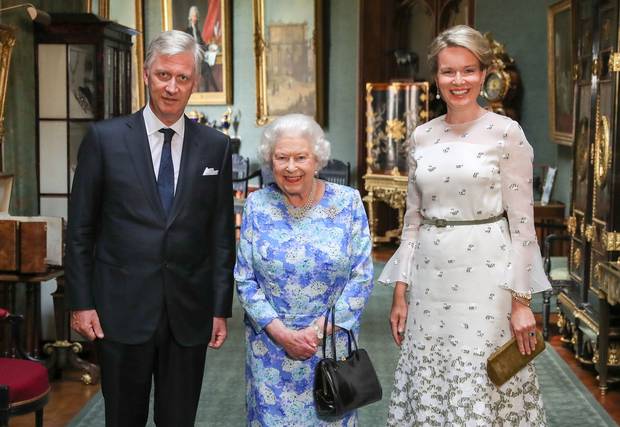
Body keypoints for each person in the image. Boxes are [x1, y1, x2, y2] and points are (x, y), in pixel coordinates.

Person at [379, 25, 550, 426]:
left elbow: (523, 226)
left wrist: (521, 303)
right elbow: (412, 222)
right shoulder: (421, 137)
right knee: (431, 378)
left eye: (468, 70)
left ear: (484, 73)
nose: (459, 81)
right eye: (448, 71)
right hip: (429, 277)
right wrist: (401, 293)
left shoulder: (507, 133)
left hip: (489, 277)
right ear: (435, 77)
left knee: (484, 377)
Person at [66, 30, 235, 427]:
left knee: (178, 420)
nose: (172, 87)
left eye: (182, 78)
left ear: (195, 81)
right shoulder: (104, 140)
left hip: (188, 313)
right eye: (163, 75)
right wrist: (81, 301)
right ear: (146, 74)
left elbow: (222, 235)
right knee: (124, 419)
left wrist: (219, 307)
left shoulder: (215, 146)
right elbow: (80, 230)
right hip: (120, 311)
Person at [234, 114, 374, 426]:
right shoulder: (257, 205)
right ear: (271, 160)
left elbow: (362, 276)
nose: (291, 167)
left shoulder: (347, 203)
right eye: (281, 157)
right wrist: (282, 334)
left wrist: (314, 333)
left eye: (301, 157)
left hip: (330, 347)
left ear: (317, 159)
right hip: (270, 347)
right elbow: (244, 278)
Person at [185, 5, 219, 92]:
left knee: (207, 69)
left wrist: (210, 47)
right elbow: (188, 47)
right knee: (207, 68)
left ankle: (211, 91)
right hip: (191, 61)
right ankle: (215, 90)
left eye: (196, 16)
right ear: (190, 17)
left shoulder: (197, 31)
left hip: (199, 59)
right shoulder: (187, 32)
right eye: (194, 16)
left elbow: (202, 44)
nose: (195, 18)